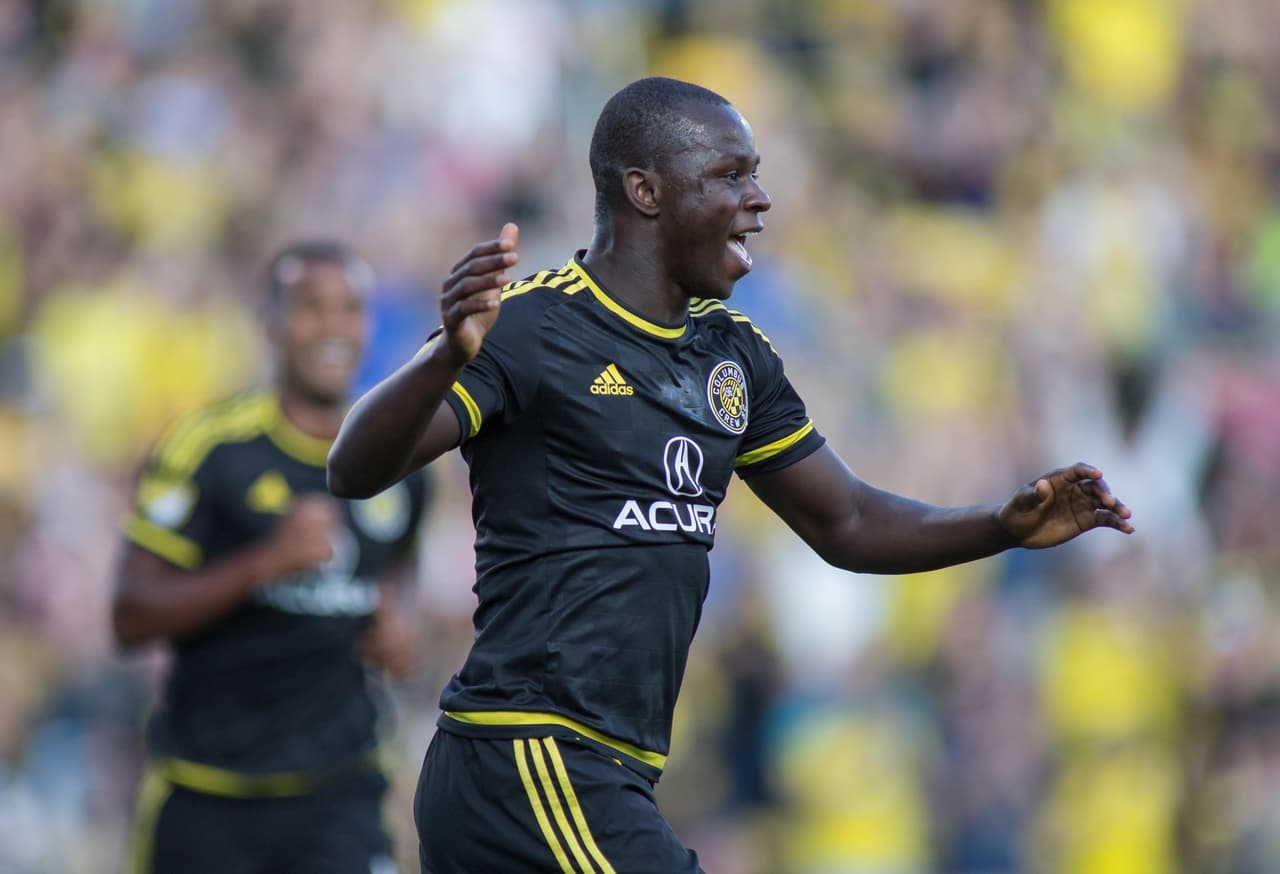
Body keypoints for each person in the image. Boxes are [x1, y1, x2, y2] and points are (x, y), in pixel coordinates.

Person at [327, 77, 1134, 874]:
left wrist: (1002, 526)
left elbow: (845, 521)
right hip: (529, 754)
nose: (759, 198)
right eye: (730, 175)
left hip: (607, 770)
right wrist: (447, 357)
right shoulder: (534, 325)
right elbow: (355, 467)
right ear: (645, 191)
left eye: (755, 173)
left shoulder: (733, 355)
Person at [113, 240, 431, 874]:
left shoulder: (403, 460)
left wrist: (393, 634)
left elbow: (394, 586)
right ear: (271, 322)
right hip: (209, 795)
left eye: (350, 309)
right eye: (311, 307)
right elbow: (130, 617)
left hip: (340, 793)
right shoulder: (209, 449)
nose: (333, 327)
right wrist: (262, 563)